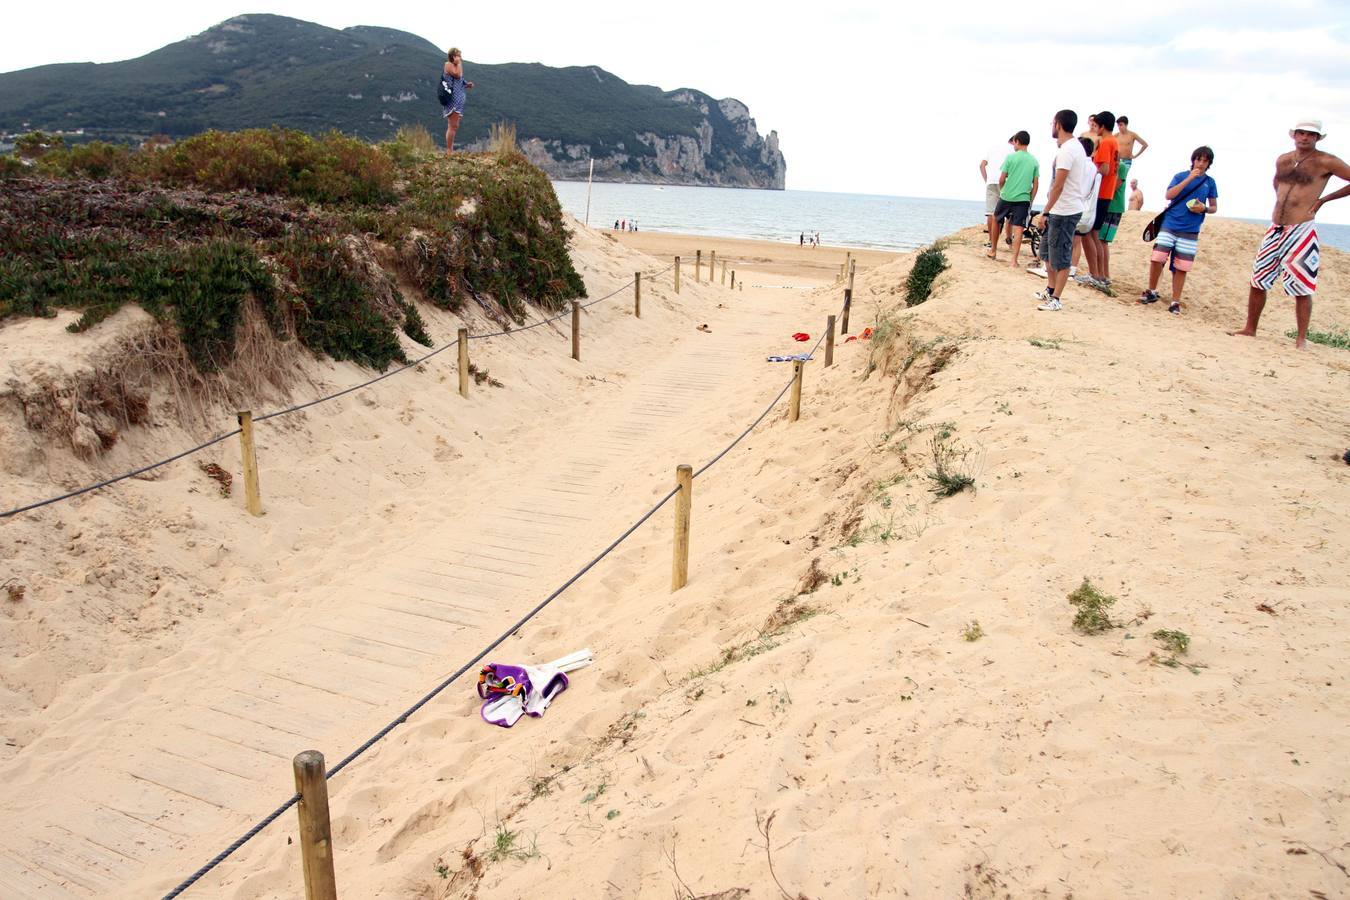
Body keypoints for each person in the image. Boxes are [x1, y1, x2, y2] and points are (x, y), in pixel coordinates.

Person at [1231, 119, 1350, 348]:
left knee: (1302, 285)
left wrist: (1324, 199)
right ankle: (1250, 328)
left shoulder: (1326, 161)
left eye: (1310, 134)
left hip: (1301, 228)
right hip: (1275, 226)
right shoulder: (1283, 160)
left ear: (1317, 138)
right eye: (1301, 133)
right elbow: (1277, 183)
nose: (1305, 137)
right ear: (1294, 135)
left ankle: (1301, 338)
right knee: (1258, 279)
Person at [1140, 146, 1219, 315]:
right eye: (1199, 159)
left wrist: (1203, 208)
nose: (1201, 163)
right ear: (1193, 160)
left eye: (1205, 161)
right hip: (1170, 224)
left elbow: (1214, 207)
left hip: (1190, 229)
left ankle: (1175, 301)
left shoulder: (1210, 182)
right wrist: (1189, 178)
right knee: (1157, 257)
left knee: (1182, 266)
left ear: (1209, 163)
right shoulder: (1180, 176)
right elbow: (1169, 195)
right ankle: (1151, 291)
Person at [1033, 110, 1091, 311]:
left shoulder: (1069, 150)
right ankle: (1050, 289)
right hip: (1061, 208)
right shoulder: (1071, 147)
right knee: (1047, 253)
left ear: (1058, 124)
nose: (1051, 126)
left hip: (1065, 210)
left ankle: (1056, 298)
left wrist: (1045, 211)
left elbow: (1059, 184)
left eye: (1052, 123)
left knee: (1060, 257)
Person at [1078, 111, 1120, 288]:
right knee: (1096, 235)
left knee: (1088, 233)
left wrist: (1090, 168)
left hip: (1100, 193)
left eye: (1095, 125)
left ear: (1102, 126)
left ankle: (1095, 274)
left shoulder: (1106, 143)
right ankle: (1101, 274)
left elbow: (1104, 168)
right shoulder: (1114, 142)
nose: (1093, 128)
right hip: (1106, 193)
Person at [989, 131, 1039, 267]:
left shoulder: (1010, 158)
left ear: (1017, 141)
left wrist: (1003, 190)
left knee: (996, 219)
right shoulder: (1034, 161)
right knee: (1018, 228)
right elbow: (1035, 184)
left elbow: (1001, 178)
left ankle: (993, 250)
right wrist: (1031, 200)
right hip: (1023, 199)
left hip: (1007, 196)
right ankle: (1014, 261)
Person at [440, 47, 474, 155]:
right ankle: (449, 150)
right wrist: (458, 64)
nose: (459, 58)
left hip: (459, 98)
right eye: (457, 55)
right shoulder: (448, 65)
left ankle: (450, 149)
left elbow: (459, 79)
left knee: (455, 126)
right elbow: (457, 74)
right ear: (452, 56)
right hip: (452, 99)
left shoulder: (457, 66)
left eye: (459, 55)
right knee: (452, 125)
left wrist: (466, 84)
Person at [981, 139, 1013, 247]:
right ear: (1015, 141)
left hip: (991, 182)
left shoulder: (992, 147)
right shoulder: (1013, 150)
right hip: (1005, 182)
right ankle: (1009, 239)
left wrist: (987, 180)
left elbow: (982, 165)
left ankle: (991, 241)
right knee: (1008, 213)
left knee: (991, 213)